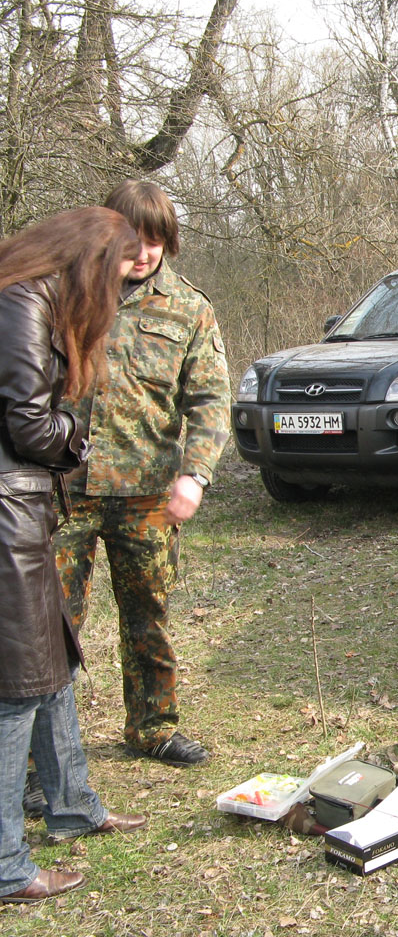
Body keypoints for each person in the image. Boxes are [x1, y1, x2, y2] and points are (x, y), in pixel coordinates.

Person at [53, 180, 231, 768]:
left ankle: (153, 728)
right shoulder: (66, 294)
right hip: (64, 490)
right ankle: (38, 759)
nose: (144, 253)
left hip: (148, 494)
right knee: (50, 628)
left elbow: (210, 400)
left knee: (148, 619)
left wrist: (194, 475)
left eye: (155, 241)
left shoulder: (188, 308)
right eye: (132, 240)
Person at [0, 208, 148, 904]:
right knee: (15, 688)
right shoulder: (22, 302)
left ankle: (72, 804)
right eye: (116, 274)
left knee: (51, 666)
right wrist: (76, 434)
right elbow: (29, 424)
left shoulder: (36, 300)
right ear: (89, 262)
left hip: (23, 511)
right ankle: (7, 864)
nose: (117, 290)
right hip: (6, 517)